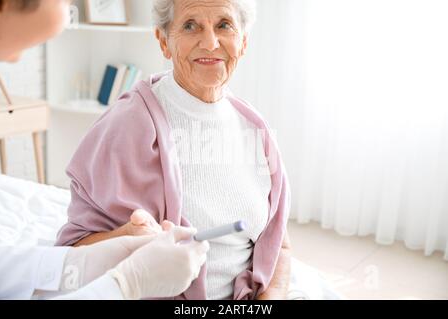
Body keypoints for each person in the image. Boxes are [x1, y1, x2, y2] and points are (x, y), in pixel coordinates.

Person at [56, 0, 292, 300]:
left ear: (243, 41)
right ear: (164, 41)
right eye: (190, 25)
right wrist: (127, 237)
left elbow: (280, 244)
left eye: (224, 25)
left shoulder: (256, 130)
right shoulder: (127, 123)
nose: (209, 42)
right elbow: (72, 253)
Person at [0, 0, 209, 300]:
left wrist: (84, 265)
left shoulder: (250, 128)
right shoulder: (132, 114)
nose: (16, 60)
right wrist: (125, 285)